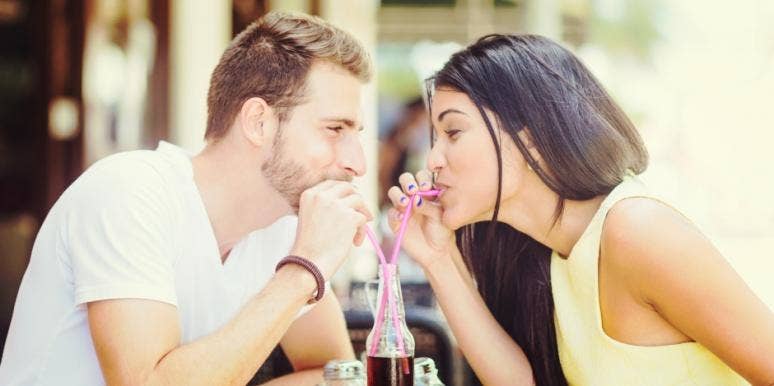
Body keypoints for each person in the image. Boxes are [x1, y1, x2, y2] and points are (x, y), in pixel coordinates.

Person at [0, 12, 373, 385]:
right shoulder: (128, 192)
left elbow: (337, 376)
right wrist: (304, 270)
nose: (358, 164)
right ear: (258, 122)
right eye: (334, 129)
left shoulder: (286, 231)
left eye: (354, 132)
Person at [387, 34, 774, 385]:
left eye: (453, 132)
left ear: (532, 135)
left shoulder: (636, 231)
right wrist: (438, 259)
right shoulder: (547, 254)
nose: (433, 159)